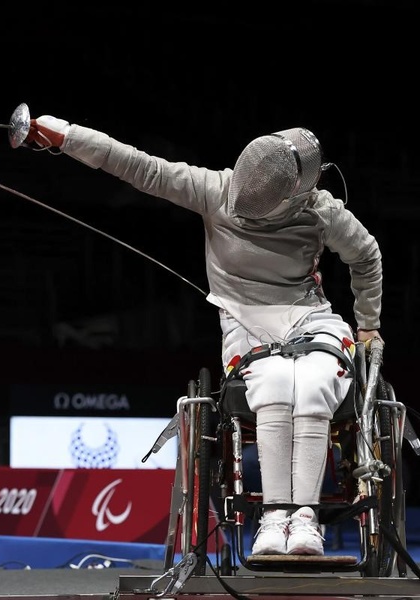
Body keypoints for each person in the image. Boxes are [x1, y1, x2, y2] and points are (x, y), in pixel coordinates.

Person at [19, 116, 382, 556]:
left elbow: (366, 256)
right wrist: (66, 135)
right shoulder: (215, 189)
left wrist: (368, 323)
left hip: (309, 318)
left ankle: (304, 519)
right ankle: (272, 517)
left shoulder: (321, 210)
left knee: (312, 384)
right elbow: (136, 164)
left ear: (295, 195)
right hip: (246, 323)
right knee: (273, 385)